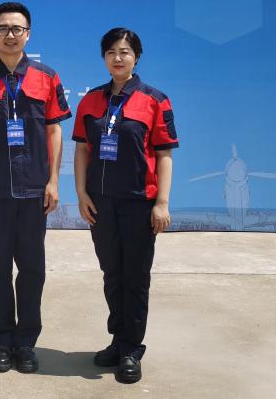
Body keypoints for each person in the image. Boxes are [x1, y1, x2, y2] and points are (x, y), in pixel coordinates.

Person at [0, 2, 71, 374]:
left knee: (32, 269)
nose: (10, 35)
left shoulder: (47, 77)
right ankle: (2, 342)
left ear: (28, 33)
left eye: (17, 29)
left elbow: (54, 132)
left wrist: (53, 181)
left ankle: (26, 343)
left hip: (34, 190)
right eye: (3, 28)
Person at [72, 27, 177, 384]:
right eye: (111, 52)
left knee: (135, 277)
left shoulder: (155, 100)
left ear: (136, 57)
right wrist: (82, 194)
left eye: (125, 52)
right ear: (104, 57)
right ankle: (117, 341)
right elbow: (82, 150)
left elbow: (164, 155)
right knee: (112, 274)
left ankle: (132, 349)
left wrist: (161, 202)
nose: (118, 58)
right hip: (101, 204)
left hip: (138, 204)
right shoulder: (91, 100)